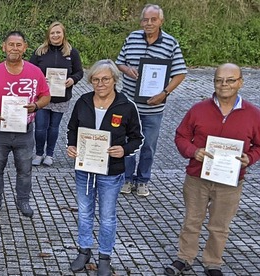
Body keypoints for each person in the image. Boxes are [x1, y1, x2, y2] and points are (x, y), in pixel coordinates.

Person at [164, 63, 260, 276]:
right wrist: (192, 151)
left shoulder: (253, 114)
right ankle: (185, 258)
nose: (224, 84)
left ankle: (213, 262)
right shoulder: (198, 109)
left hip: (230, 180)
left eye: (230, 80)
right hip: (197, 177)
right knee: (192, 220)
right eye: (219, 80)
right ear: (214, 82)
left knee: (220, 225)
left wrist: (250, 157)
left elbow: (259, 146)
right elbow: (180, 136)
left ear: (241, 82)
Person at [66, 59, 143, 276]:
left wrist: (124, 150)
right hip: (85, 169)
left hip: (112, 172)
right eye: (96, 79)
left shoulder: (126, 106)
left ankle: (105, 256)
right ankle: (84, 250)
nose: (100, 83)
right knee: (84, 211)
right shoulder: (83, 101)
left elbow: (137, 138)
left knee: (107, 216)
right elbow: (72, 129)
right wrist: (71, 145)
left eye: (105, 79)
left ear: (115, 80)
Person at [0, 31, 50, 218]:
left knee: (25, 170)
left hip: (25, 131)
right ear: (4, 47)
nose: (14, 49)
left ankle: (23, 200)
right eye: (11, 44)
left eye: (18, 45)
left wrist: (36, 106)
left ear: (25, 47)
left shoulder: (35, 72)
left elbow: (46, 96)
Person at [116, 4, 187, 197]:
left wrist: (164, 93)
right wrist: (126, 70)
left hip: (154, 107)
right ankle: (126, 178)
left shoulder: (171, 43)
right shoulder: (132, 38)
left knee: (148, 145)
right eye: (145, 20)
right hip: (130, 104)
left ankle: (143, 180)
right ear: (141, 22)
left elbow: (180, 73)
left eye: (153, 19)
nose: (149, 23)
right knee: (128, 142)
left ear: (161, 21)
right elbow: (119, 62)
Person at [29, 21, 84, 166]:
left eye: (58, 32)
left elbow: (79, 72)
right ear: (48, 35)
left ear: (63, 34)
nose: (55, 35)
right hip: (42, 97)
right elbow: (30, 71)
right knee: (40, 127)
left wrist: (72, 80)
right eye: (52, 33)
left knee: (54, 128)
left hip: (61, 98)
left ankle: (50, 154)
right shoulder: (39, 51)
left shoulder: (72, 52)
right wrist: (40, 79)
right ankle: (39, 153)